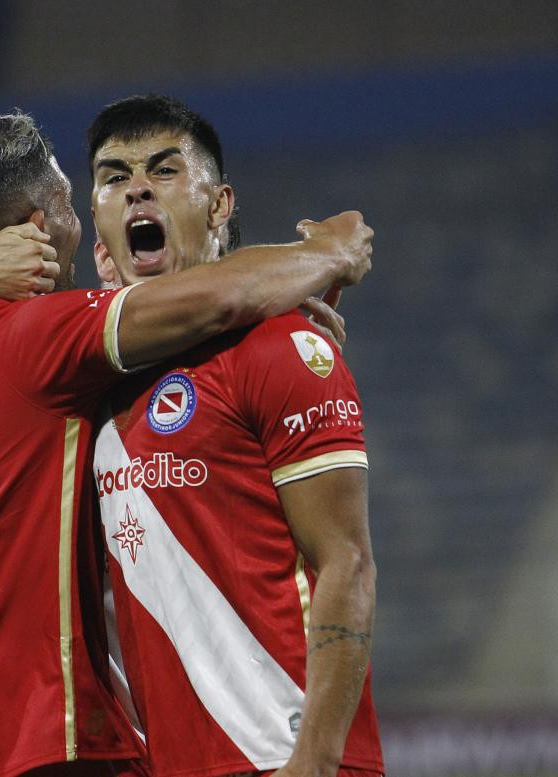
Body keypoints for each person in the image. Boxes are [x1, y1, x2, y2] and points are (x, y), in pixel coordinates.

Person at [0, 111, 371, 777]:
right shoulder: (35, 340)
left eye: (161, 171)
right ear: (35, 227)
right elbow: (218, 297)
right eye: (75, 202)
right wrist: (323, 256)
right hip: (27, 735)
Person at [86, 94, 383, 777]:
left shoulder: (281, 345)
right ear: (101, 238)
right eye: (113, 176)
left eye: (163, 171)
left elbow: (348, 561)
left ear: (219, 206)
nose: (136, 186)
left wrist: (314, 762)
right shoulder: (81, 388)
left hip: (285, 757)